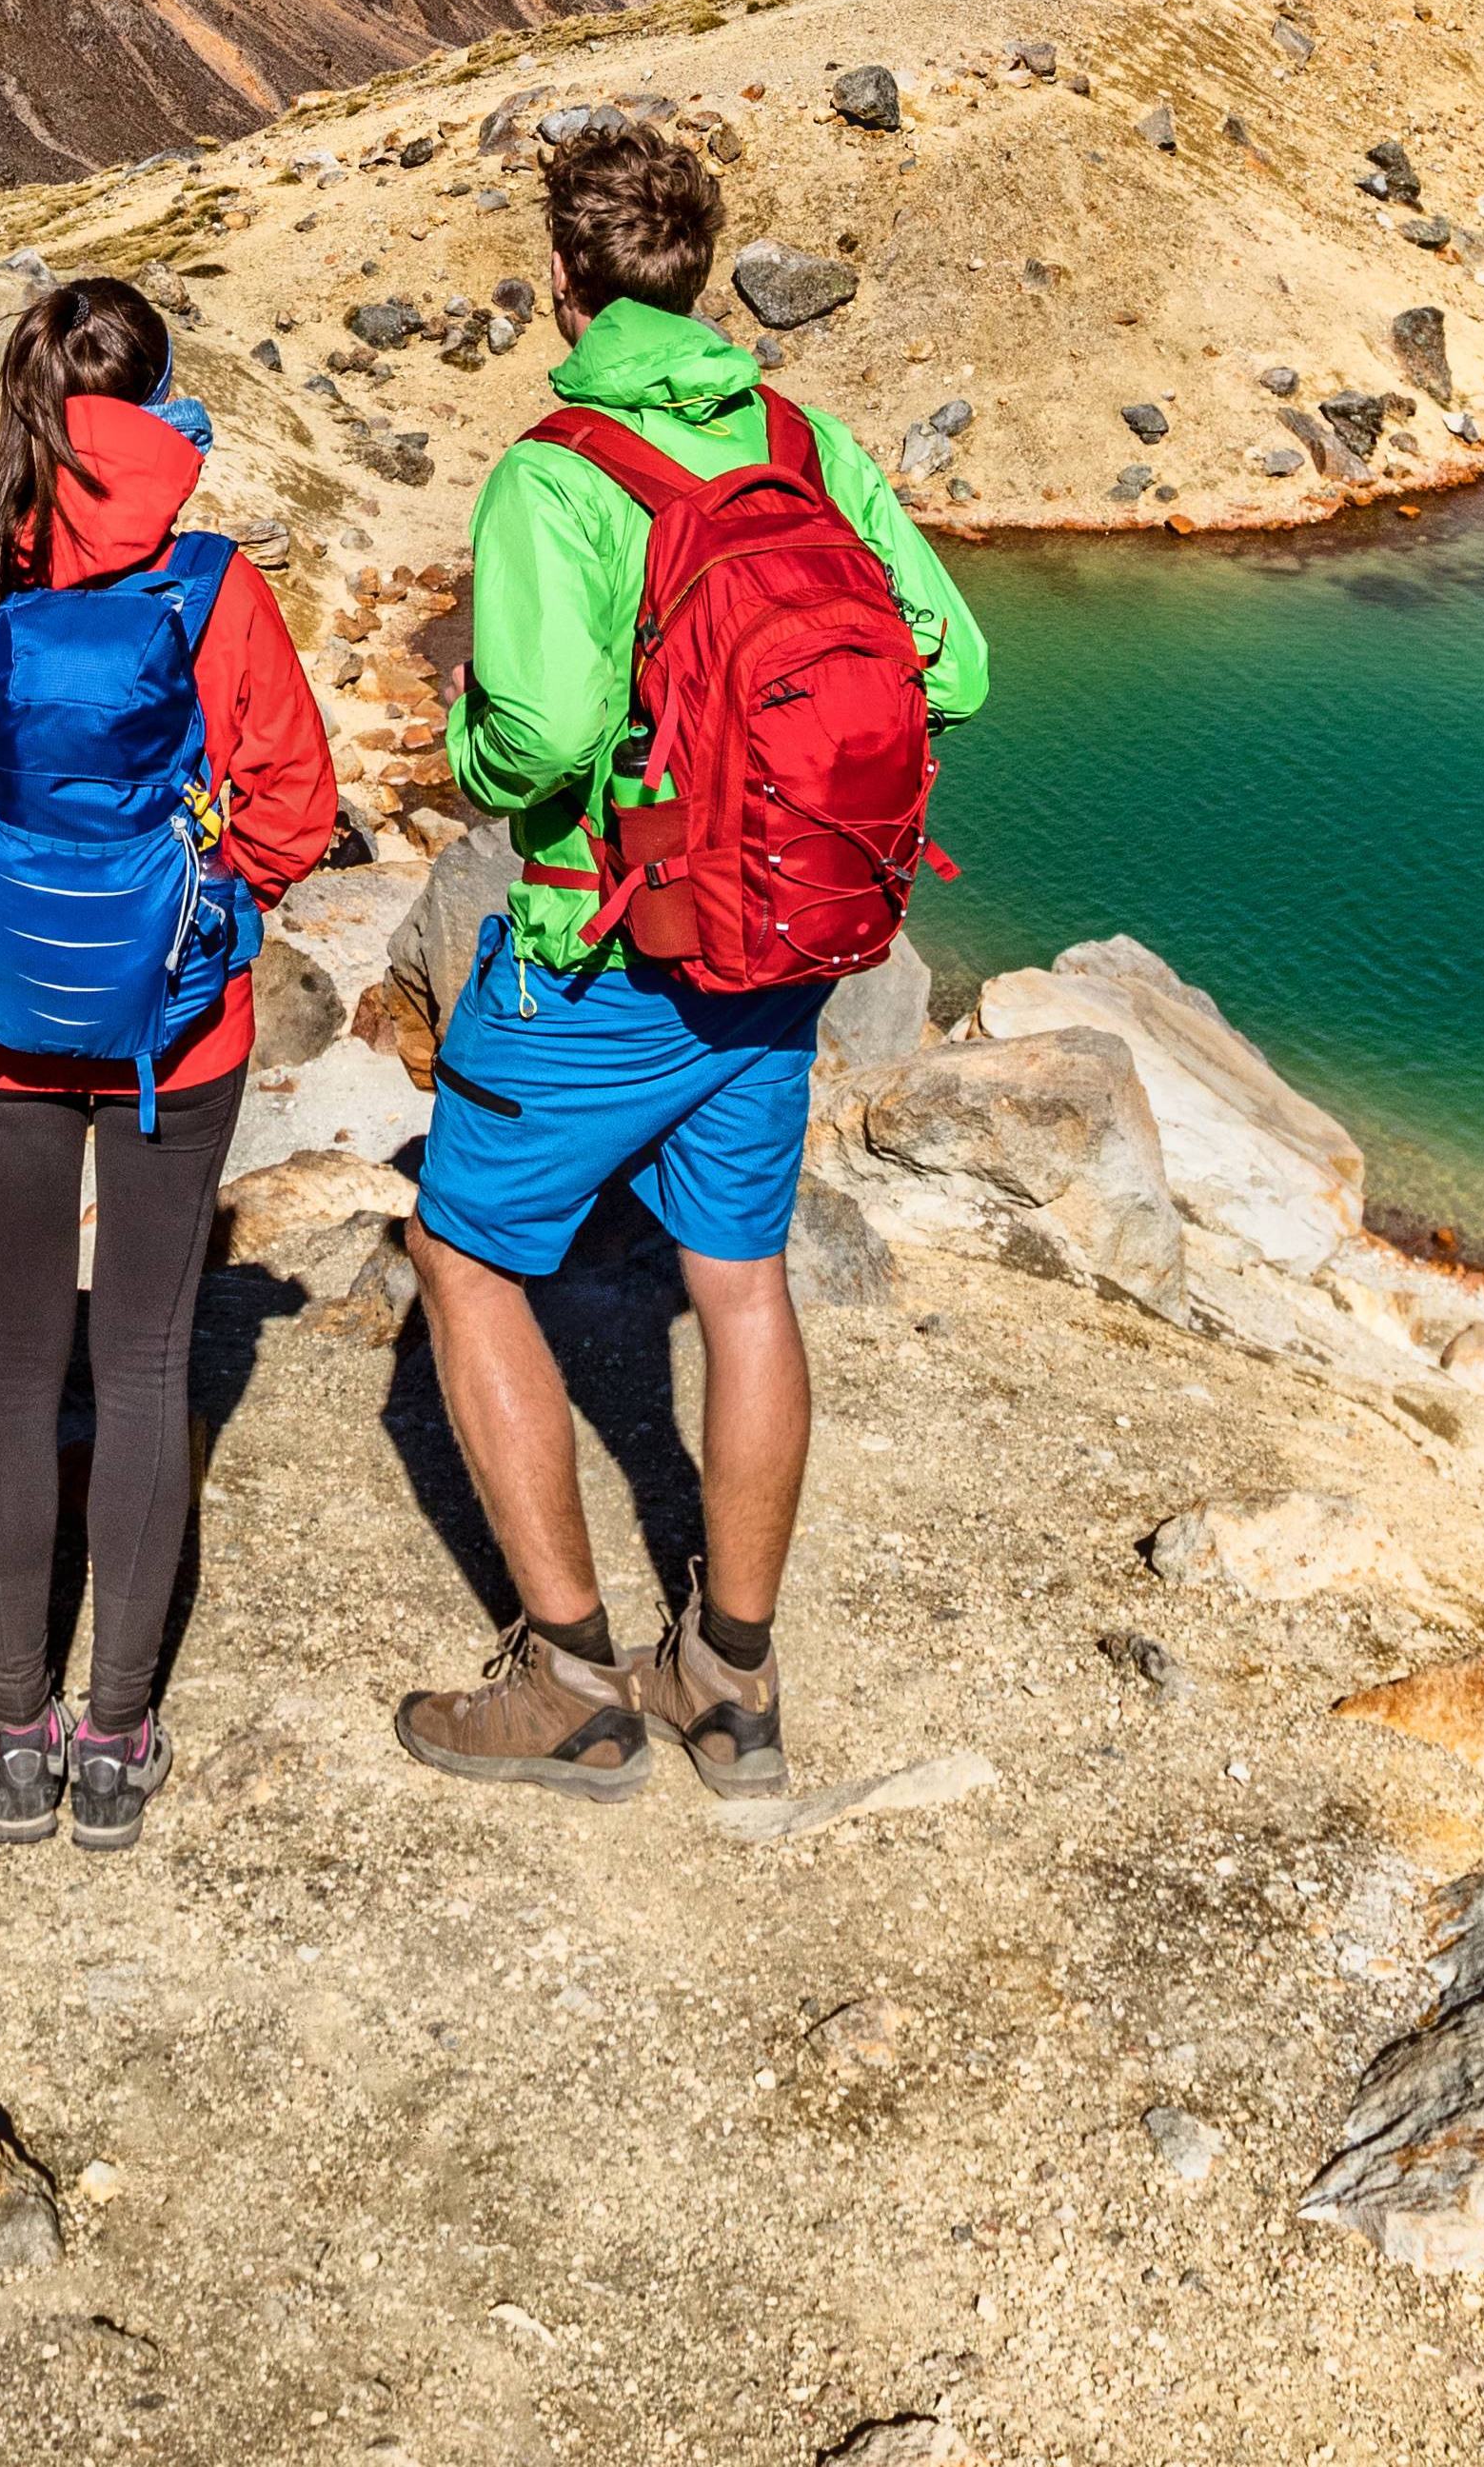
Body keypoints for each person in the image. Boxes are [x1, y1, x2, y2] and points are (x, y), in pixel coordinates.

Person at [398, 115, 985, 1801]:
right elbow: (958, 667)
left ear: (566, 279)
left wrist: (488, 753)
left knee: (464, 1254)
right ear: (702, 264)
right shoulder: (801, 438)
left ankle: (573, 1680)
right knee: (739, 1284)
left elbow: (545, 734)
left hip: (610, 952)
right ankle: (731, 1684)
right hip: (784, 952)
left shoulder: (557, 470)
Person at [0, 271, 335, 1853]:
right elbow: (295, 809)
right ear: (164, 398)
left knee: (15, 1355)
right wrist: (192, 912)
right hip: (175, 1036)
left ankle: (12, 1733)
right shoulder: (216, 590)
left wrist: (9, 874)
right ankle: (118, 1735)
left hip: (4, 1019)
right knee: (140, 1362)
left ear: (27, 402)